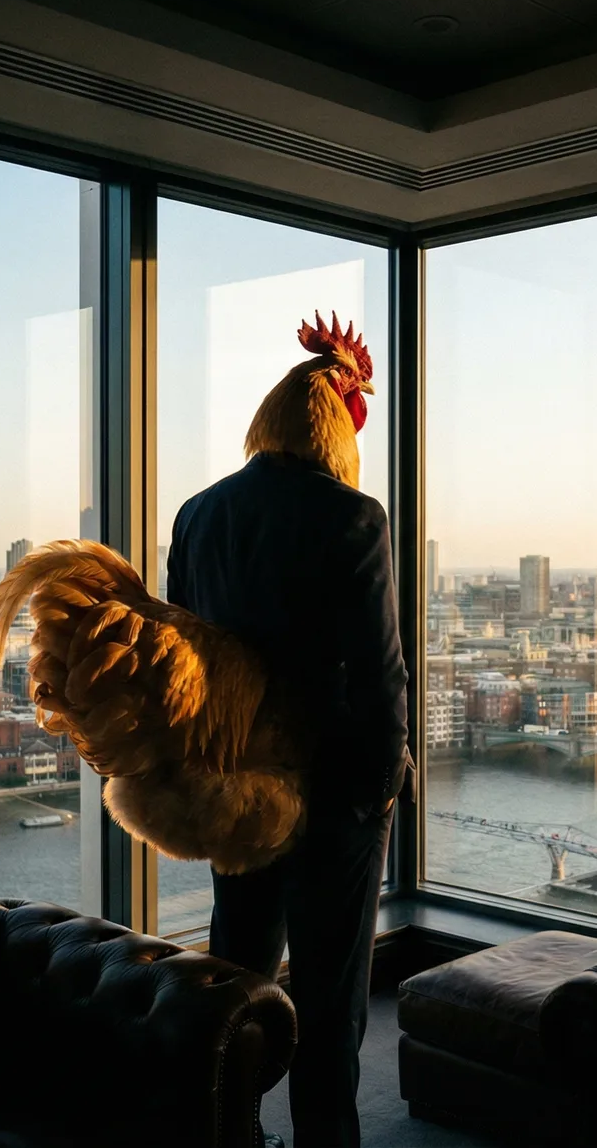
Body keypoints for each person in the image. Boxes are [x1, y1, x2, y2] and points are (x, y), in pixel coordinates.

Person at [166, 447, 411, 1148]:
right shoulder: (354, 516)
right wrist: (379, 794)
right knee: (329, 1011)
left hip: (239, 787)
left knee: (235, 987)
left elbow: (184, 656)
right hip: (333, 801)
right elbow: (382, 676)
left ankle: (226, 1134)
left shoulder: (197, 514)